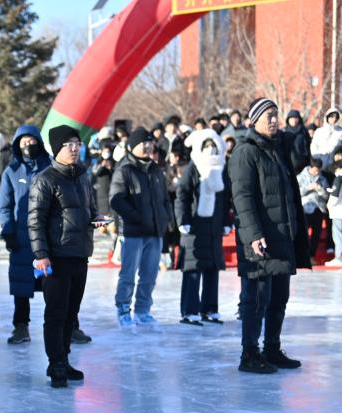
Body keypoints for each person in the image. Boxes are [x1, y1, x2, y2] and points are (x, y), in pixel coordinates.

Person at [229, 98, 310, 374]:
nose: (275, 120)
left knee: (279, 298)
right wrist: (254, 234)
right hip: (260, 241)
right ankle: (249, 353)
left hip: (281, 237)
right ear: (254, 120)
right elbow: (242, 197)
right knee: (256, 300)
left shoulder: (277, 150)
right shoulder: (246, 152)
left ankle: (272, 348)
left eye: (276, 114)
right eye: (269, 115)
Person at [28, 126, 96, 388]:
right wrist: (41, 254)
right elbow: (35, 220)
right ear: (57, 148)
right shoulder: (45, 179)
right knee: (56, 313)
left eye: (77, 143)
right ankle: (55, 362)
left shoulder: (83, 176)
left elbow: (89, 209)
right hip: (56, 257)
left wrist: (96, 219)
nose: (75, 148)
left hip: (80, 253)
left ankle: (64, 359)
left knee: (71, 313)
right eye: (69, 144)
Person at [110, 127, 172, 327]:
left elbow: (165, 198)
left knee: (149, 274)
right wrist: (136, 218)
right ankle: (123, 309)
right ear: (133, 146)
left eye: (150, 142)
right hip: (134, 232)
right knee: (128, 274)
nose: (148, 146)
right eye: (143, 143)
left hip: (155, 231)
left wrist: (166, 219)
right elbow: (116, 200)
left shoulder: (155, 169)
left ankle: (143, 310)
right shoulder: (125, 169)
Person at [0, 125, 51, 345]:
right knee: (20, 285)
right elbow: (5, 206)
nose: (28, 145)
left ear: (39, 142)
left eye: (31, 140)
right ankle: (21, 326)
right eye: (23, 142)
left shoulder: (50, 167)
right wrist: (8, 232)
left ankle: (67, 324)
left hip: (47, 238)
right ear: (17, 145)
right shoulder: (11, 171)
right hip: (21, 238)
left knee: (54, 285)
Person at [175, 129, 232, 325]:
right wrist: (183, 219)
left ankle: (209, 308)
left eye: (213, 146)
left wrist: (226, 222)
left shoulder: (222, 168)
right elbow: (182, 194)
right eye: (206, 146)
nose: (210, 149)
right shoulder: (193, 167)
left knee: (212, 268)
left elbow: (226, 199)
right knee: (193, 268)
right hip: (195, 226)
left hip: (214, 227)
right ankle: (189, 310)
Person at [298, 160, 330, 258]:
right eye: (315, 170)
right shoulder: (300, 177)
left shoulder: (322, 179)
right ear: (310, 168)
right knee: (303, 233)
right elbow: (296, 193)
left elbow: (327, 195)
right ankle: (303, 254)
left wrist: (319, 189)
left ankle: (312, 255)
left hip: (319, 208)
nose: (317, 173)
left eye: (318, 171)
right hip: (305, 208)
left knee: (317, 233)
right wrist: (308, 188)